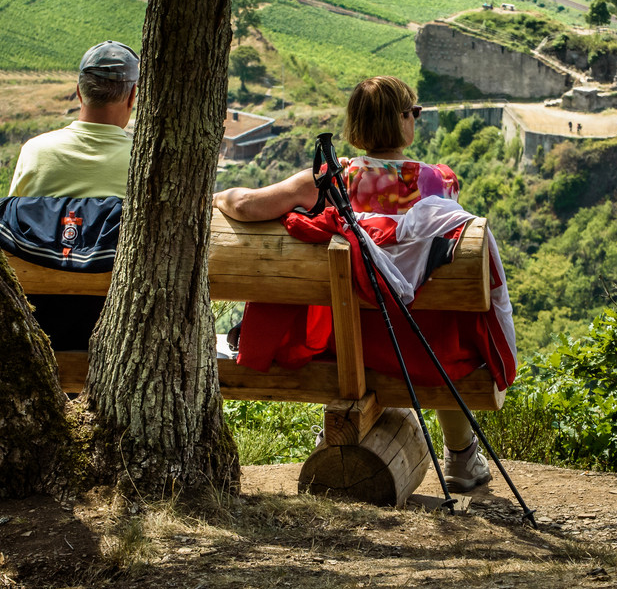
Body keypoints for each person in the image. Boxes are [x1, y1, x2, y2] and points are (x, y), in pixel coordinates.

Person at [215, 76, 513, 493]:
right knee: (444, 329)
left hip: (341, 348)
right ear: (401, 121)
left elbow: (246, 205)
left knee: (341, 306)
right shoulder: (438, 183)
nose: (417, 118)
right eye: (414, 111)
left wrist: (217, 198)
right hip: (421, 351)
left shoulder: (325, 182)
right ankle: (462, 457)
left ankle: (331, 437)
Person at [8, 40, 138, 348]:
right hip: (116, 326)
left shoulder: (36, 151)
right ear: (132, 96)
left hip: (39, 321)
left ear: (79, 92)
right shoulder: (144, 161)